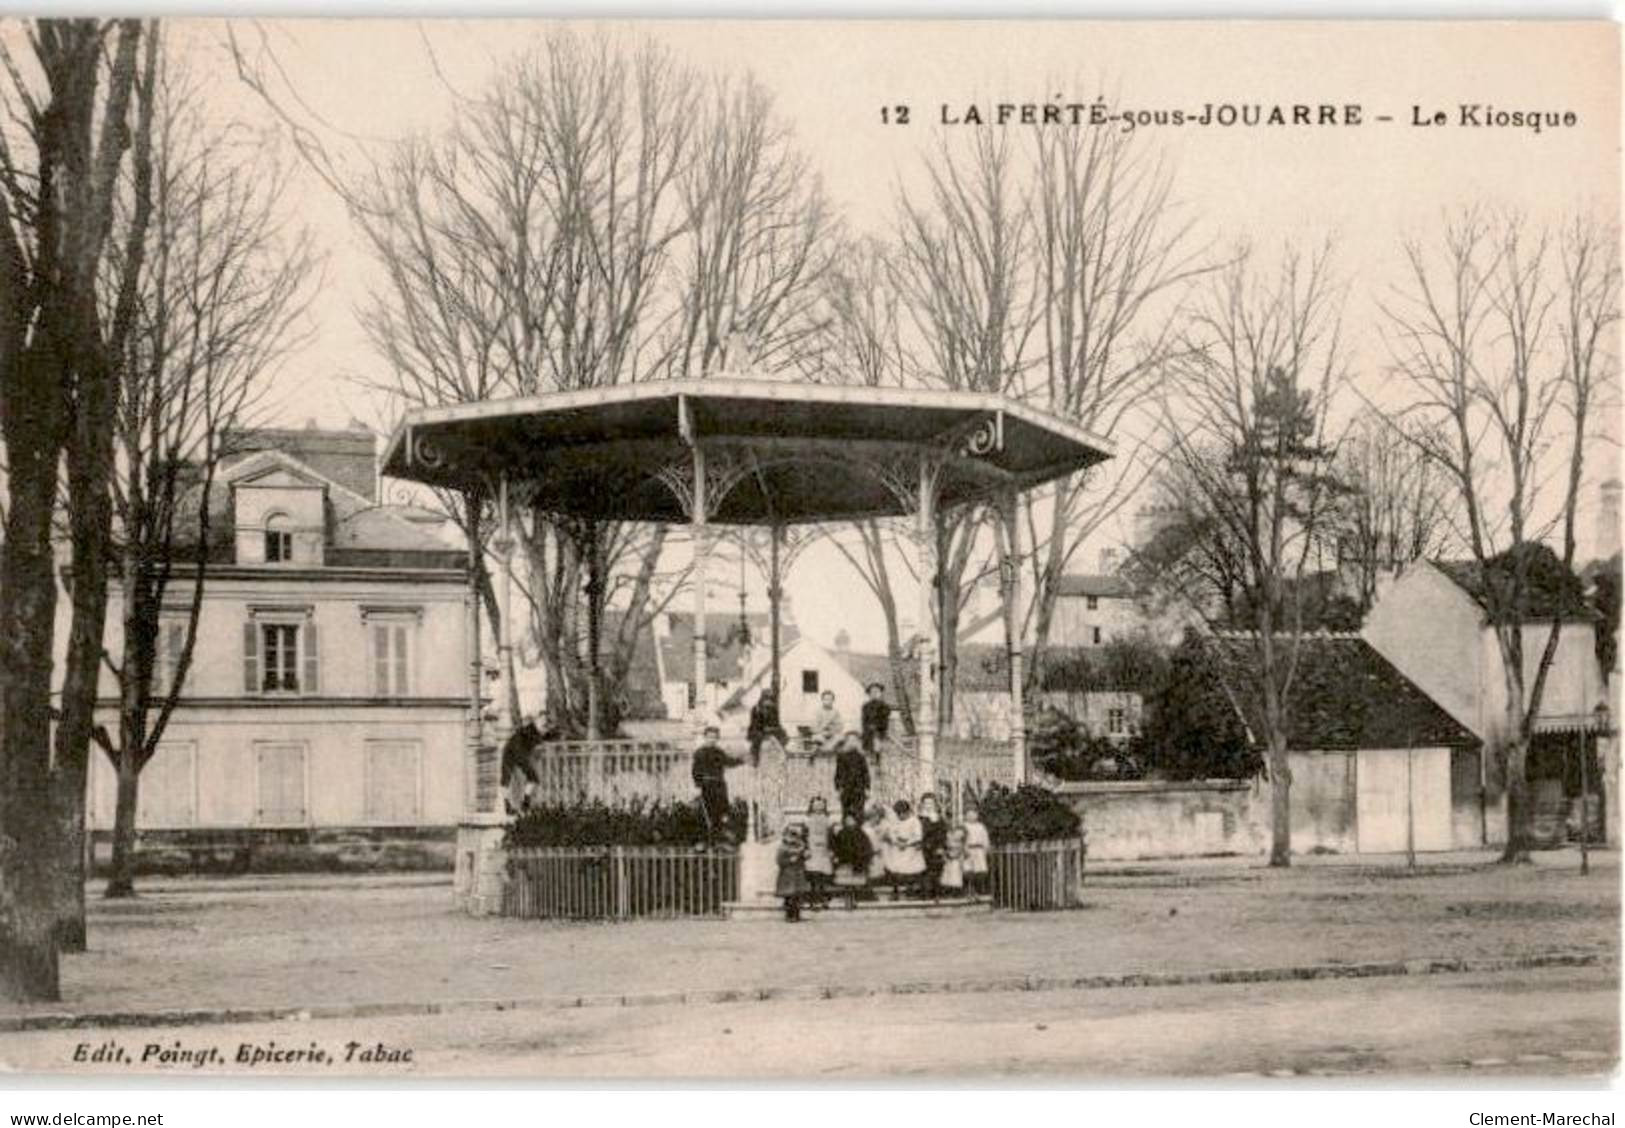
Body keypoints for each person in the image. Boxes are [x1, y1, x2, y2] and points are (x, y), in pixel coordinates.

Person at [691, 724, 744, 845]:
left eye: (714, 737)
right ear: (705, 737)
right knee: (706, 814)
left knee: (720, 813)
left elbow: (729, 762)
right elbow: (695, 771)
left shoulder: (719, 752)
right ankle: (705, 841)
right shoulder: (699, 753)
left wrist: (742, 760)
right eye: (709, 737)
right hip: (706, 786)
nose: (712, 739)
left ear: (717, 738)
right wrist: (697, 785)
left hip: (719, 786)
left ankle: (719, 841)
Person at [830, 811, 874, 909]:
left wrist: (863, 857)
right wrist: (837, 856)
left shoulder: (861, 833)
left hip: (857, 862)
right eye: (847, 820)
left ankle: (854, 899)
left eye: (851, 820)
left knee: (854, 881)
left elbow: (866, 847)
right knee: (846, 883)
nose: (849, 822)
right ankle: (848, 899)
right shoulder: (842, 833)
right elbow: (837, 846)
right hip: (844, 862)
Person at [500, 714, 542, 815]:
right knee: (533, 778)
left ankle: (510, 805)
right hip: (517, 751)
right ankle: (524, 804)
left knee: (505, 779)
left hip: (509, 750)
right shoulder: (532, 730)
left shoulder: (527, 730)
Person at [884, 798, 924, 901]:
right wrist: (896, 841)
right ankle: (895, 891)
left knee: (910, 870)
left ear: (908, 812)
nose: (901, 815)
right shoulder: (895, 822)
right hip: (898, 848)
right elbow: (891, 833)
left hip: (910, 848)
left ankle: (910, 890)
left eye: (903, 813)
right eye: (899, 813)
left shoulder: (914, 821)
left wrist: (907, 843)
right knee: (895, 869)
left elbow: (918, 835)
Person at [803, 795, 834, 908]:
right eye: (816, 805)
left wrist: (831, 850)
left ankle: (823, 899)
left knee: (823, 875)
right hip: (812, 849)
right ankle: (814, 900)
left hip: (824, 849)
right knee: (813, 874)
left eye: (821, 805)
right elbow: (804, 835)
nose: (818, 807)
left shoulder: (828, 821)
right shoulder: (807, 820)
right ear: (812, 806)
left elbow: (831, 837)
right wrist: (805, 849)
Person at [775, 823, 810, 923]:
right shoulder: (783, 848)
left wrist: (805, 856)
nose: (793, 838)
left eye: (795, 835)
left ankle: (797, 914)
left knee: (797, 897)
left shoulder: (801, 846)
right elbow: (779, 861)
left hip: (798, 873)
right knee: (789, 897)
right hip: (787, 875)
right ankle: (789, 915)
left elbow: (805, 856)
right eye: (791, 835)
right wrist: (790, 860)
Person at [833, 731, 870, 820]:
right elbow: (838, 773)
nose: (853, 742)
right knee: (846, 813)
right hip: (846, 788)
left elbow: (865, 773)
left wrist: (867, 788)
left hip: (859, 789)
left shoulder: (861, 757)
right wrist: (838, 788)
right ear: (847, 741)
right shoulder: (841, 757)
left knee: (859, 812)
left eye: (855, 740)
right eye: (850, 740)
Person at [918, 792, 948, 901]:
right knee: (923, 871)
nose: (928, 805)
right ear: (922, 804)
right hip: (923, 848)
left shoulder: (939, 819)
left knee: (936, 870)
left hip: (936, 848)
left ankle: (936, 893)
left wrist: (941, 847)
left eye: (931, 803)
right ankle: (925, 894)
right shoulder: (920, 818)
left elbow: (943, 833)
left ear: (935, 804)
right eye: (926, 803)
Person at [747, 687, 787, 764]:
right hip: (758, 730)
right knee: (757, 738)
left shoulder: (773, 709)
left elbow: (776, 722)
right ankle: (755, 758)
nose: (769, 701)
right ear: (762, 698)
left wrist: (776, 728)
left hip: (770, 729)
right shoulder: (756, 709)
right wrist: (764, 728)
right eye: (767, 698)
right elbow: (754, 723)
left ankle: (782, 755)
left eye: (770, 698)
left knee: (782, 734)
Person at [962, 804, 991, 898]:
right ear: (965, 815)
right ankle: (968, 890)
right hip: (968, 850)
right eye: (969, 813)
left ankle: (977, 890)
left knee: (980, 872)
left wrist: (986, 849)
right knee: (968, 871)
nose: (971, 816)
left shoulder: (981, 827)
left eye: (974, 813)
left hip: (979, 851)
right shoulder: (963, 826)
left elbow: (985, 839)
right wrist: (963, 848)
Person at [860, 681, 892, 757]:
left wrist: (877, 726)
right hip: (868, 733)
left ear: (880, 693)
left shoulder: (884, 706)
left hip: (880, 732)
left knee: (877, 746)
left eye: (877, 692)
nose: (874, 694)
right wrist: (867, 728)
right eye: (872, 692)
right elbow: (864, 721)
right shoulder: (866, 706)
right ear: (869, 694)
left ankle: (878, 760)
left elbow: (885, 721)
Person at [862, 803, 889, 885]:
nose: (878, 820)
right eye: (876, 817)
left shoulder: (878, 826)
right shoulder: (867, 829)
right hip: (872, 853)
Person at [941, 824, 968, 899]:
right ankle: (949, 891)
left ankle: (957, 892)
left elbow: (963, 851)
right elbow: (947, 848)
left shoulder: (960, 844)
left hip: (957, 859)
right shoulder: (949, 841)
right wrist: (946, 854)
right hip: (950, 859)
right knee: (948, 875)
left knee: (956, 875)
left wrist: (960, 855)